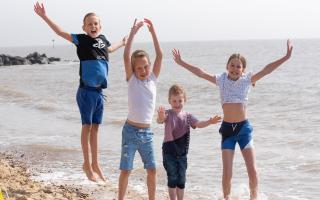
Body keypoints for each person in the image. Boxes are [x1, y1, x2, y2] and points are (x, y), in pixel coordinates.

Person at [172, 40, 293, 200]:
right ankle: (226, 198)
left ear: (243, 70)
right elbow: (200, 73)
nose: (235, 68)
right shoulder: (221, 80)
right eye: (232, 65)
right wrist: (181, 62)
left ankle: (253, 197)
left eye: (238, 66)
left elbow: (267, 70)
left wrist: (285, 57)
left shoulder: (247, 80)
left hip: (244, 130)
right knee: (227, 172)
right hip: (228, 130)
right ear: (227, 66)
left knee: (253, 170)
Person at [34, 2, 127, 182]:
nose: (93, 26)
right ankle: (87, 164)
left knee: (96, 129)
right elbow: (60, 32)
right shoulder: (82, 40)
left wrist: (122, 43)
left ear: (100, 27)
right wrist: (44, 16)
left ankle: (96, 164)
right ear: (84, 27)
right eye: (89, 24)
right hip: (86, 92)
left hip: (100, 94)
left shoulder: (103, 40)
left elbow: (110, 49)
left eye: (96, 24)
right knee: (87, 127)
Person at [118, 18, 162, 200]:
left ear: (149, 66)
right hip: (130, 132)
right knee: (126, 170)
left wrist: (153, 32)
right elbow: (126, 55)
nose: (143, 70)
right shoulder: (132, 80)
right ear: (133, 69)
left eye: (146, 66)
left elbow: (160, 55)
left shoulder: (153, 79)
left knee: (152, 170)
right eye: (139, 68)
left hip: (147, 133)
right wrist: (133, 33)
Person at [157, 84, 221, 200]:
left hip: (182, 153)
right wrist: (160, 116)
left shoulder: (188, 116)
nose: (177, 104)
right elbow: (160, 120)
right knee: (172, 177)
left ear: (184, 100)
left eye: (180, 101)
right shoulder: (168, 113)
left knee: (181, 179)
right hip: (169, 151)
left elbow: (198, 124)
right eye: (174, 101)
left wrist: (209, 122)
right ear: (169, 101)